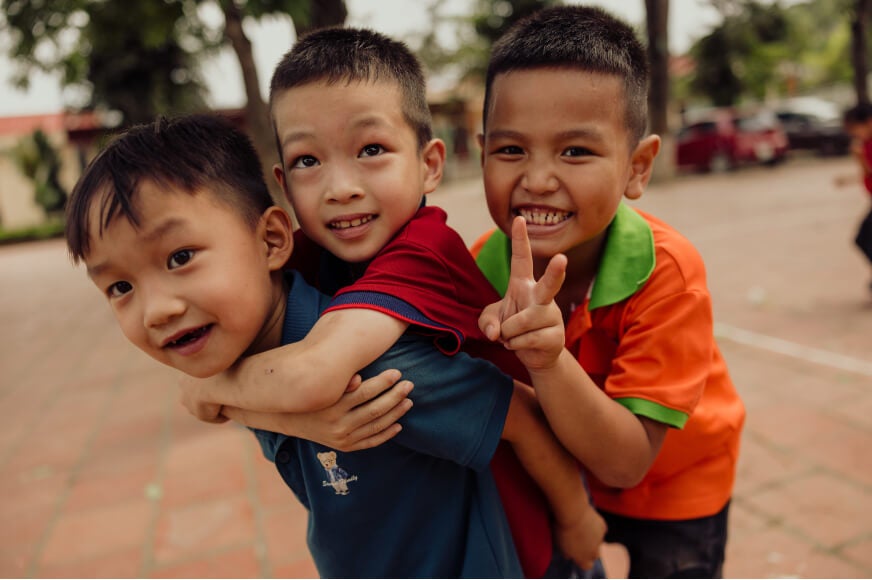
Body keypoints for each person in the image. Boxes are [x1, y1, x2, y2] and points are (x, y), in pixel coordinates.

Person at [63, 113, 605, 578]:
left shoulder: (373, 367)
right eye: (120, 287)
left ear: (273, 240)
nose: (156, 309)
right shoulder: (235, 352)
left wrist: (577, 520)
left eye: (180, 258)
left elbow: (520, 416)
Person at [177, 26, 605, 578]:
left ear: (429, 164)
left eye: (372, 150)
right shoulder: (310, 251)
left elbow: (310, 376)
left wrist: (575, 519)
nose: (341, 187)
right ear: (282, 183)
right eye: (309, 161)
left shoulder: (422, 250)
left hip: (519, 532)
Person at [471, 5, 746, 578]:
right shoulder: (479, 267)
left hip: (677, 481)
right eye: (510, 150)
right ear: (481, 153)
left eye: (575, 151)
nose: (538, 178)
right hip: (565, 474)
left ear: (637, 166)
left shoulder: (667, 272)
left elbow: (628, 463)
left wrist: (546, 359)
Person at [840, 103, 872, 291]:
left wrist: (859, 159)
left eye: (855, 130)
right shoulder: (866, 144)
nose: (854, 135)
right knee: (863, 239)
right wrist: (849, 179)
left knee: (864, 238)